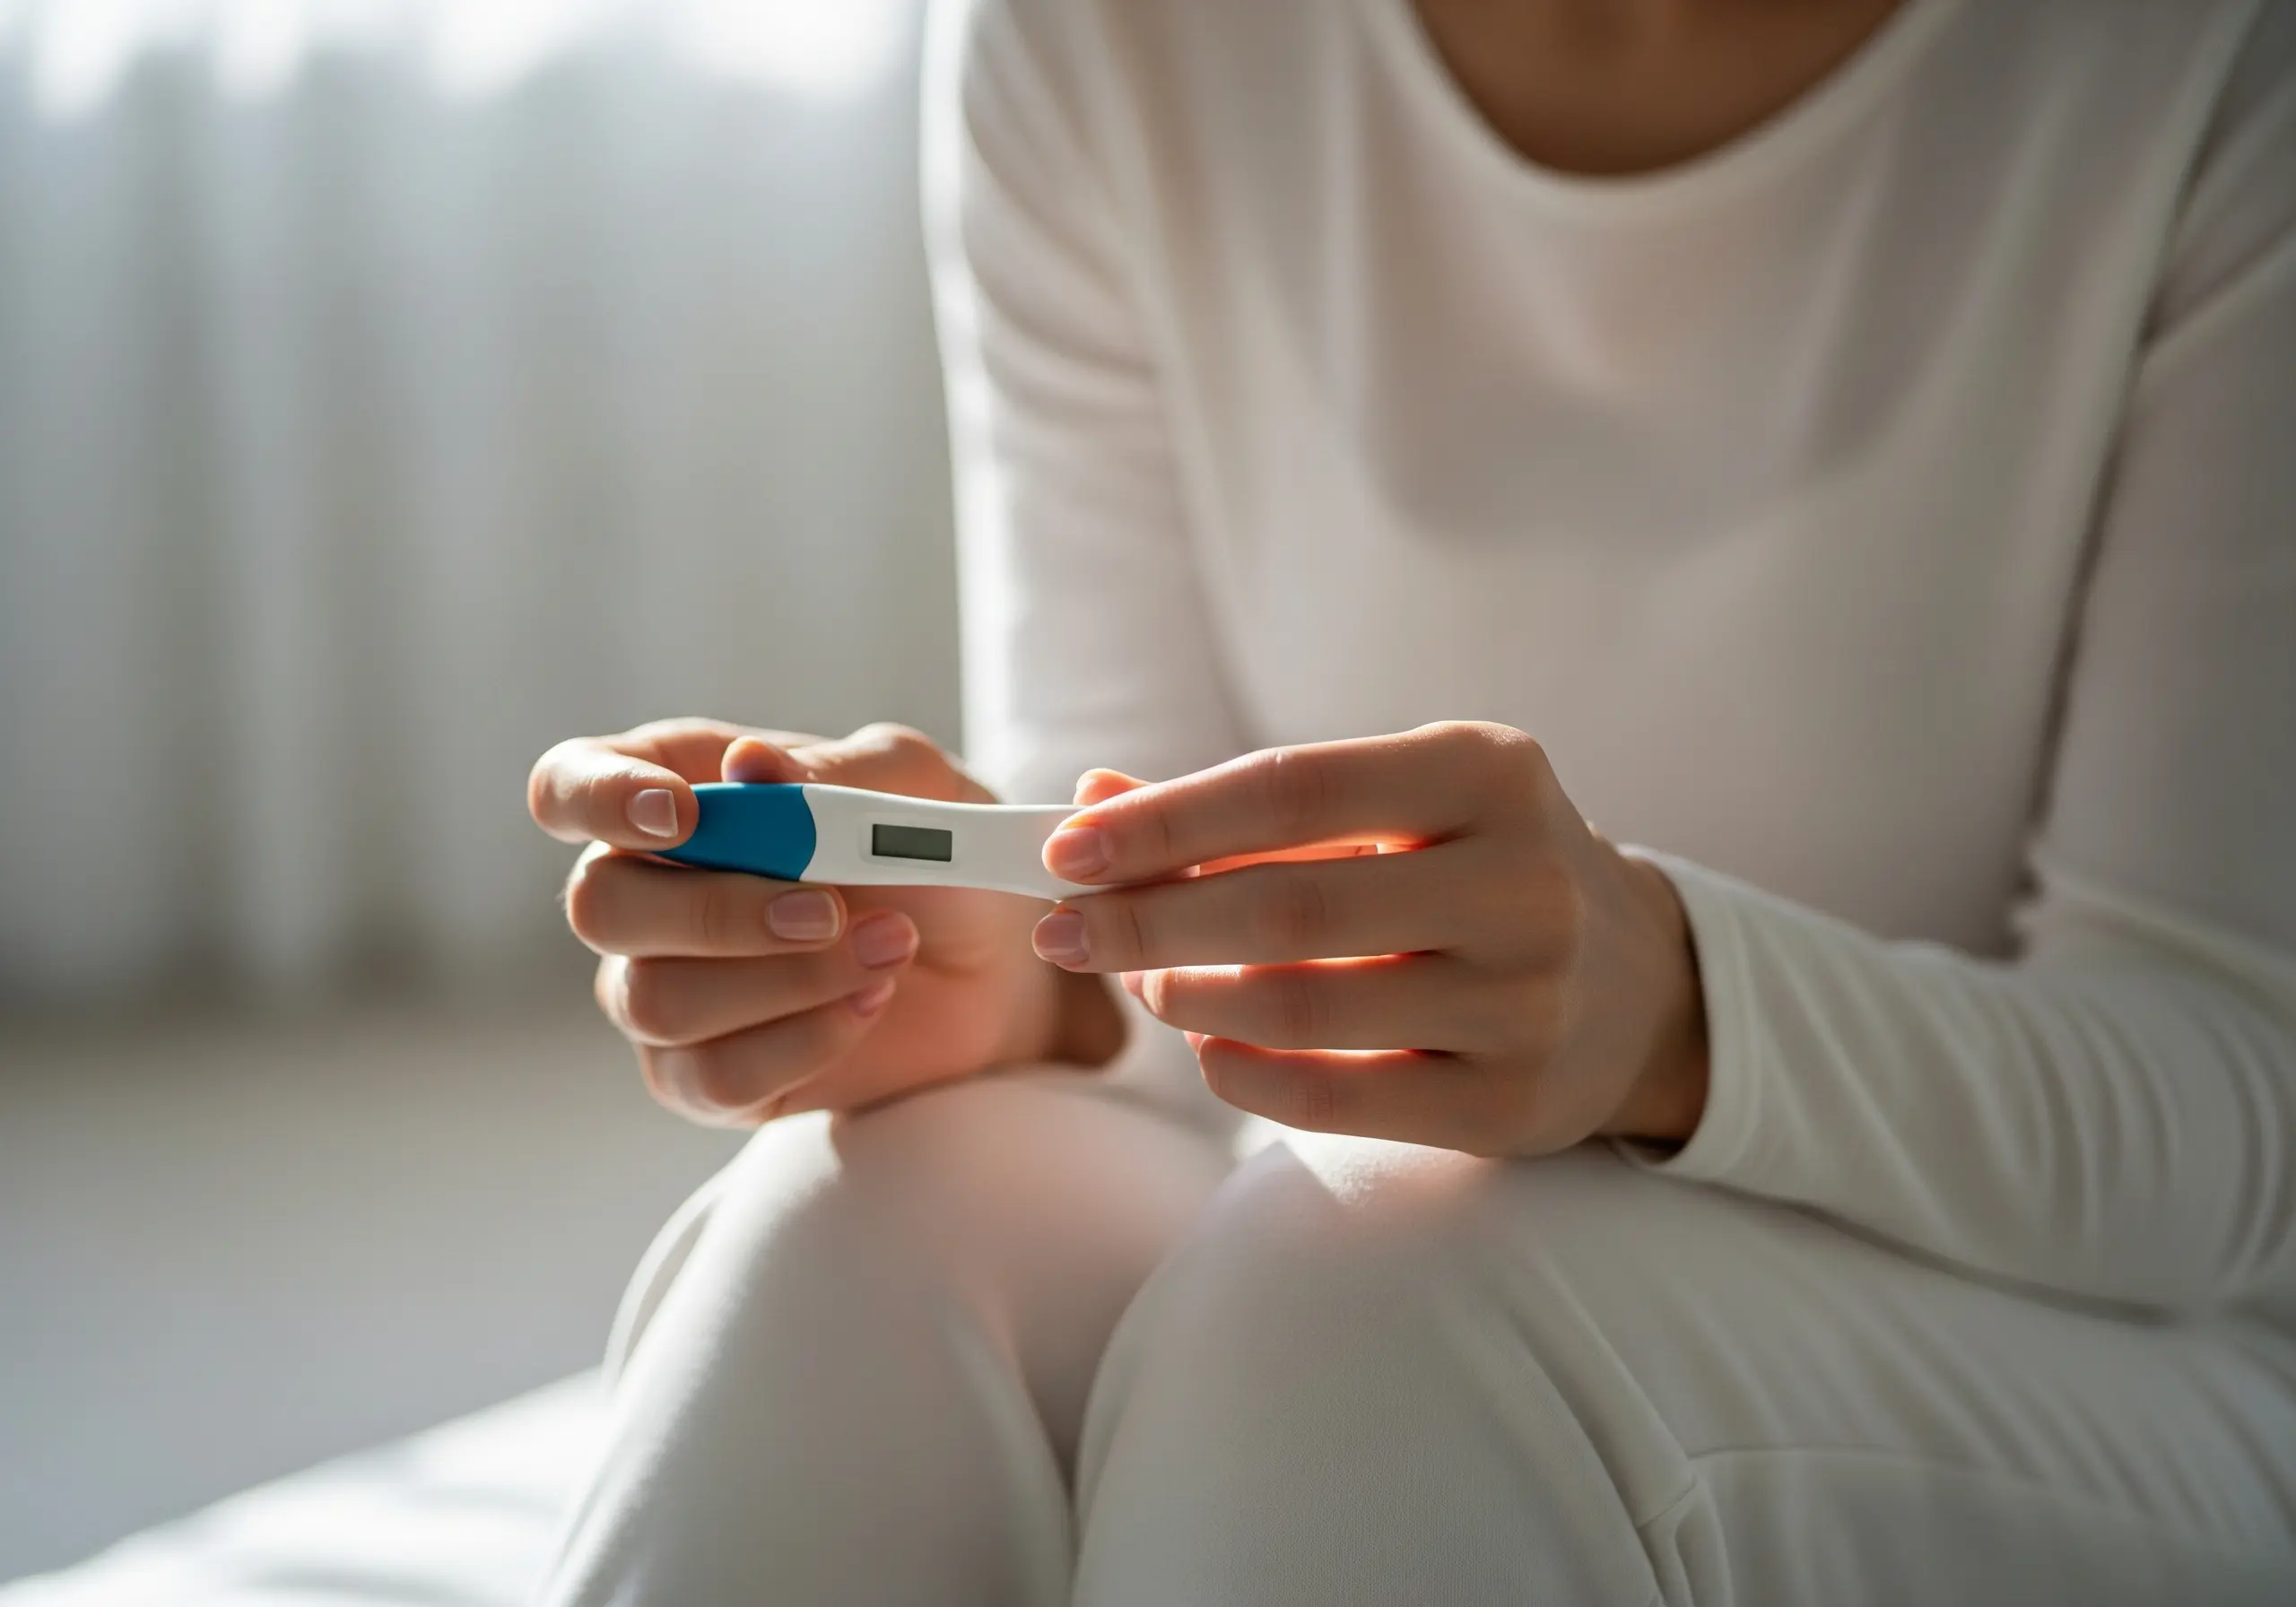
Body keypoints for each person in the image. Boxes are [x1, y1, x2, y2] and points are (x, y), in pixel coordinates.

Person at [527, 0, 2296, 1599]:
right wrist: (1025, 987)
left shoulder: (2208, 69)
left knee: (1367, 1290)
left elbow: (2233, 1119)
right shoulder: (1098, 39)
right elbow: (1120, 858)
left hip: (2109, 1328)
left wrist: (1680, 1014)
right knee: (842, 1239)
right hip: (1325, 1237)